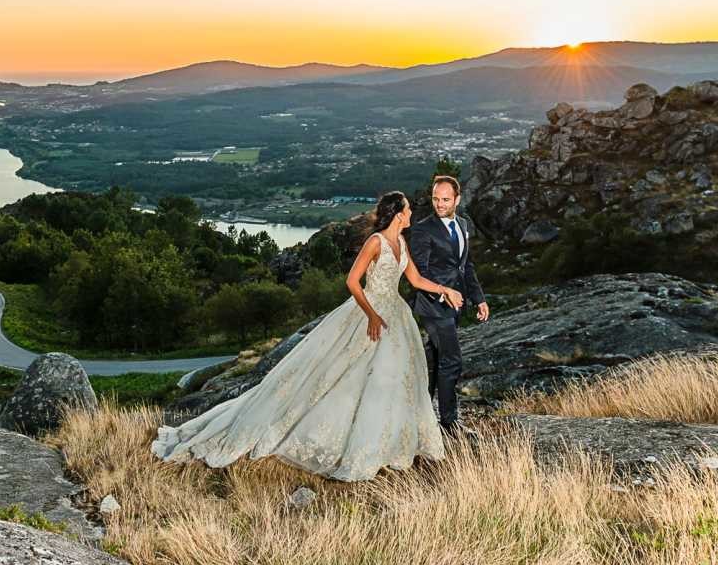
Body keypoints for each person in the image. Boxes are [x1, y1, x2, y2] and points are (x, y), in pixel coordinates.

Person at [150, 191, 464, 481]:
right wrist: (370, 314)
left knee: (392, 379)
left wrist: (446, 290)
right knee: (339, 374)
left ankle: (387, 441)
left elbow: (416, 279)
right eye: (407, 209)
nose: (411, 213)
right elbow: (353, 282)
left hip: (395, 316)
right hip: (369, 312)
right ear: (397, 214)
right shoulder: (376, 242)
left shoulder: (402, 244)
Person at [407, 175, 490, 433]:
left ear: (457, 199)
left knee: (435, 359)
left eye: (445, 199)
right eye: (435, 199)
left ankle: (423, 416)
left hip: (456, 305)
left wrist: (479, 298)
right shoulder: (422, 229)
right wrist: (444, 293)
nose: (439, 204)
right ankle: (449, 422)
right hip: (433, 306)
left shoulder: (463, 224)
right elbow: (419, 274)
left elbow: (466, 267)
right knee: (452, 360)